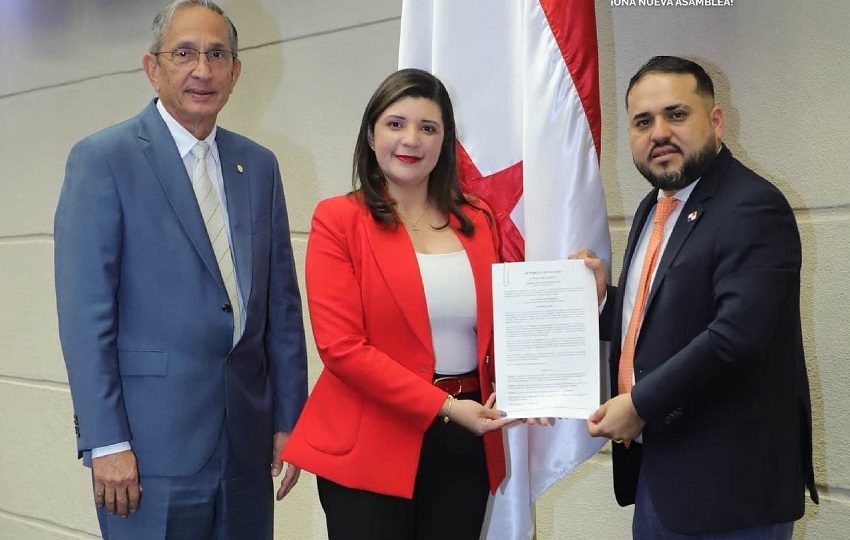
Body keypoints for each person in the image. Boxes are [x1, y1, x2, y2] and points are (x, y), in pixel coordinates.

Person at [53, 1, 308, 537]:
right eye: (185, 53)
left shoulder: (259, 166)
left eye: (217, 55)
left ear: (236, 72)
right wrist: (106, 441)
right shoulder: (103, 160)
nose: (202, 70)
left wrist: (290, 419)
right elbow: (85, 318)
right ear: (153, 67)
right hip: (147, 452)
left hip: (246, 446)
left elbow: (281, 308)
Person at [576, 56, 818, 538]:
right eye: (643, 122)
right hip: (662, 477)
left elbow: (735, 337)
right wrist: (604, 301)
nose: (659, 133)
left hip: (731, 493)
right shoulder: (656, 205)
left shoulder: (752, 205)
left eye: (676, 114)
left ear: (716, 120)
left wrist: (638, 405)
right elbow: (665, 313)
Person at [281, 68, 515, 540]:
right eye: (395, 124)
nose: (411, 139)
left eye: (428, 127)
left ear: (445, 141)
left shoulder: (478, 219)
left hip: (464, 439)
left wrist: (583, 283)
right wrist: (445, 407)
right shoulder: (338, 219)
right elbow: (342, 349)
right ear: (371, 136)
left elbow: (512, 316)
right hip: (369, 442)